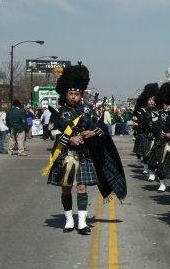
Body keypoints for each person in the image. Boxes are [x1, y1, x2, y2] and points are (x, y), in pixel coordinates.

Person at [43, 64, 127, 235]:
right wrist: (70, 138)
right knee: (66, 188)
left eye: (76, 94)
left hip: (84, 155)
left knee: (82, 188)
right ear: (65, 93)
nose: (73, 97)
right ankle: (68, 220)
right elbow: (51, 132)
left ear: (81, 94)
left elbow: (101, 128)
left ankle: (81, 222)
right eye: (70, 93)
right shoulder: (58, 112)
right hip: (65, 154)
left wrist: (92, 132)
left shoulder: (88, 111)